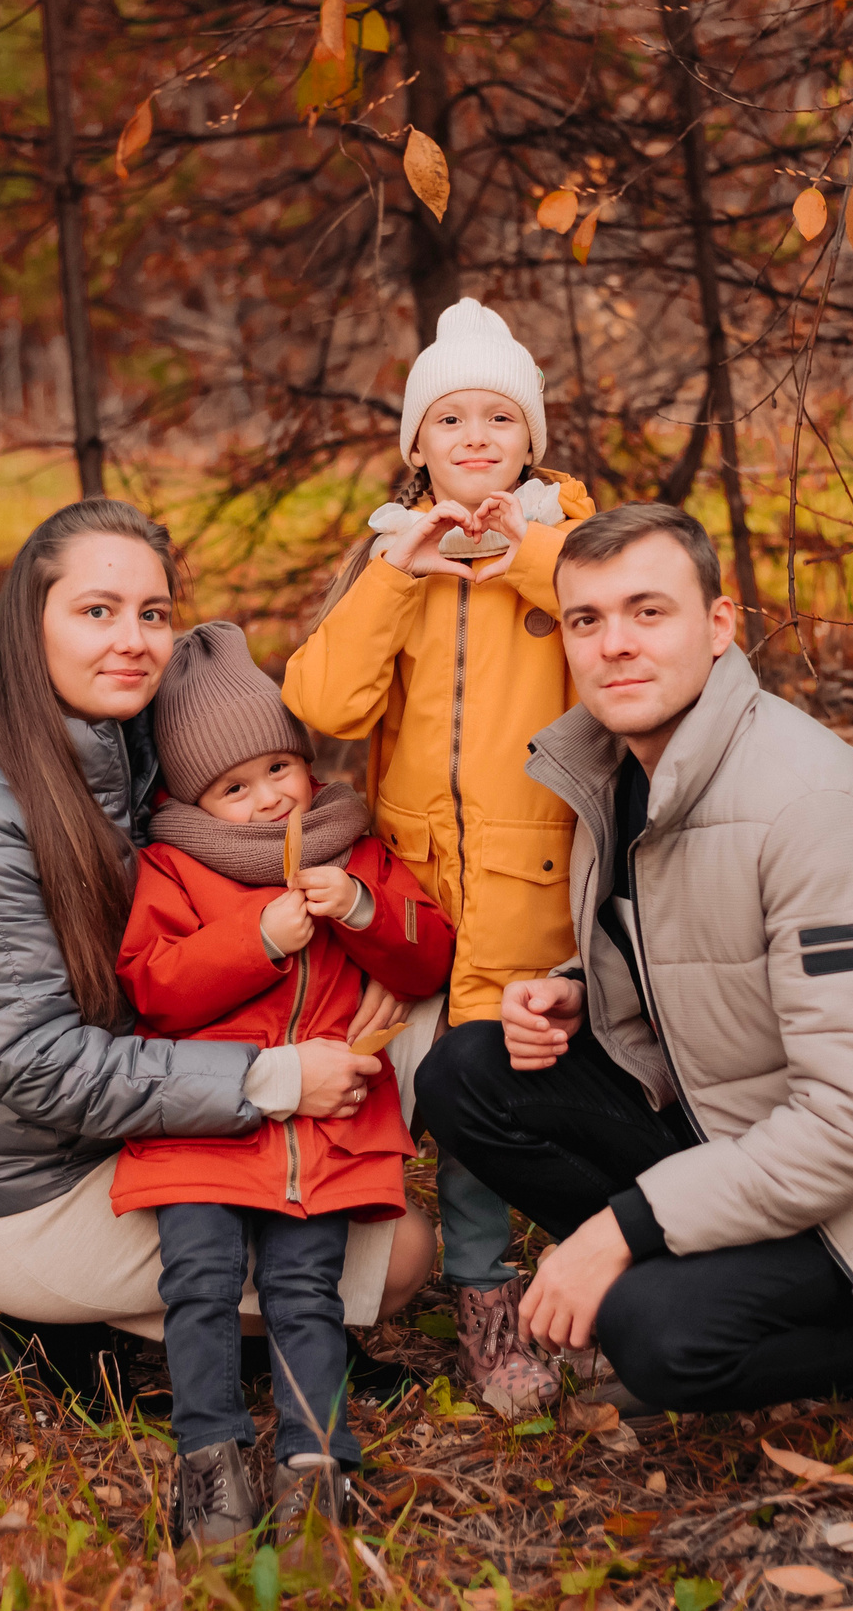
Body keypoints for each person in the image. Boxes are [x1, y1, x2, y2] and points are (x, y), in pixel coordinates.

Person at [416, 504, 853, 1472]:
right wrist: (579, 985)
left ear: (719, 623)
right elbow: (701, 946)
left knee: (658, 1339)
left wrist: (621, 1229)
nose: (614, 644)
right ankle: (704, 1281)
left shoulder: (807, 805)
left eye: (647, 610)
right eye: (585, 619)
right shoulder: (615, 766)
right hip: (737, 1119)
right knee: (468, 1072)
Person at [0, 500, 436, 1408]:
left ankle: (177, 1305)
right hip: (41, 1180)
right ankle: (63, 1320)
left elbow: (272, 754)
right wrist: (270, 1080)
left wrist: (371, 935)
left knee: (431, 1010)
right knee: (404, 1256)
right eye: (97, 611)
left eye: (152, 613)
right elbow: (42, 1068)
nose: (133, 640)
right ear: (31, 624)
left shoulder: (127, 730)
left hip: (148, 1094)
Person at [280, 298, 595, 1412]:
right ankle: (455, 1301)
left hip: (538, 885)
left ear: (529, 440)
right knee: (421, 1103)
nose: (472, 437)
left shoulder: (568, 548)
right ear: (415, 444)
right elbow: (321, 698)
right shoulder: (393, 563)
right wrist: (399, 571)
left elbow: (619, 638)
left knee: (517, 1094)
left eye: (497, 417)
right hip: (415, 892)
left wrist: (522, 554)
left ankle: (554, 1295)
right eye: (448, 418)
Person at [109, 622, 456, 1545]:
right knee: (201, 1282)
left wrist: (365, 909)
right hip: (204, 1127)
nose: (267, 799)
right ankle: (210, 1461)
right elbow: (154, 984)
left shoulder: (356, 851)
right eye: (233, 788)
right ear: (193, 798)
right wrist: (258, 936)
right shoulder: (174, 868)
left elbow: (429, 958)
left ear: (306, 762)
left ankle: (316, 1461)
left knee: (309, 1292)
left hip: (326, 1134)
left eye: (278, 769)